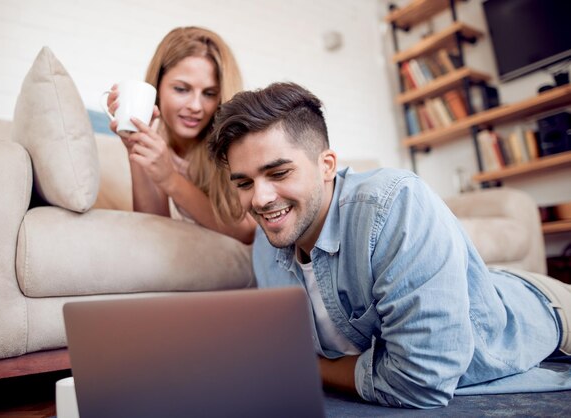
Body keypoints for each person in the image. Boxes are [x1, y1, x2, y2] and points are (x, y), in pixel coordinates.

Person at [208, 82, 571, 409]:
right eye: (243, 183)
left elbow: (420, 381)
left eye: (278, 173)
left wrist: (306, 366)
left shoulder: (394, 202)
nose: (260, 198)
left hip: (546, 308)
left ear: (327, 165)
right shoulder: (264, 243)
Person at [107, 26, 255, 243]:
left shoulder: (231, 143)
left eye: (209, 93)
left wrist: (170, 179)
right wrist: (134, 147)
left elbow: (247, 233)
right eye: (182, 89)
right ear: (157, 86)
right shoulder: (156, 138)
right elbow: (153, 228)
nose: (196, 106)